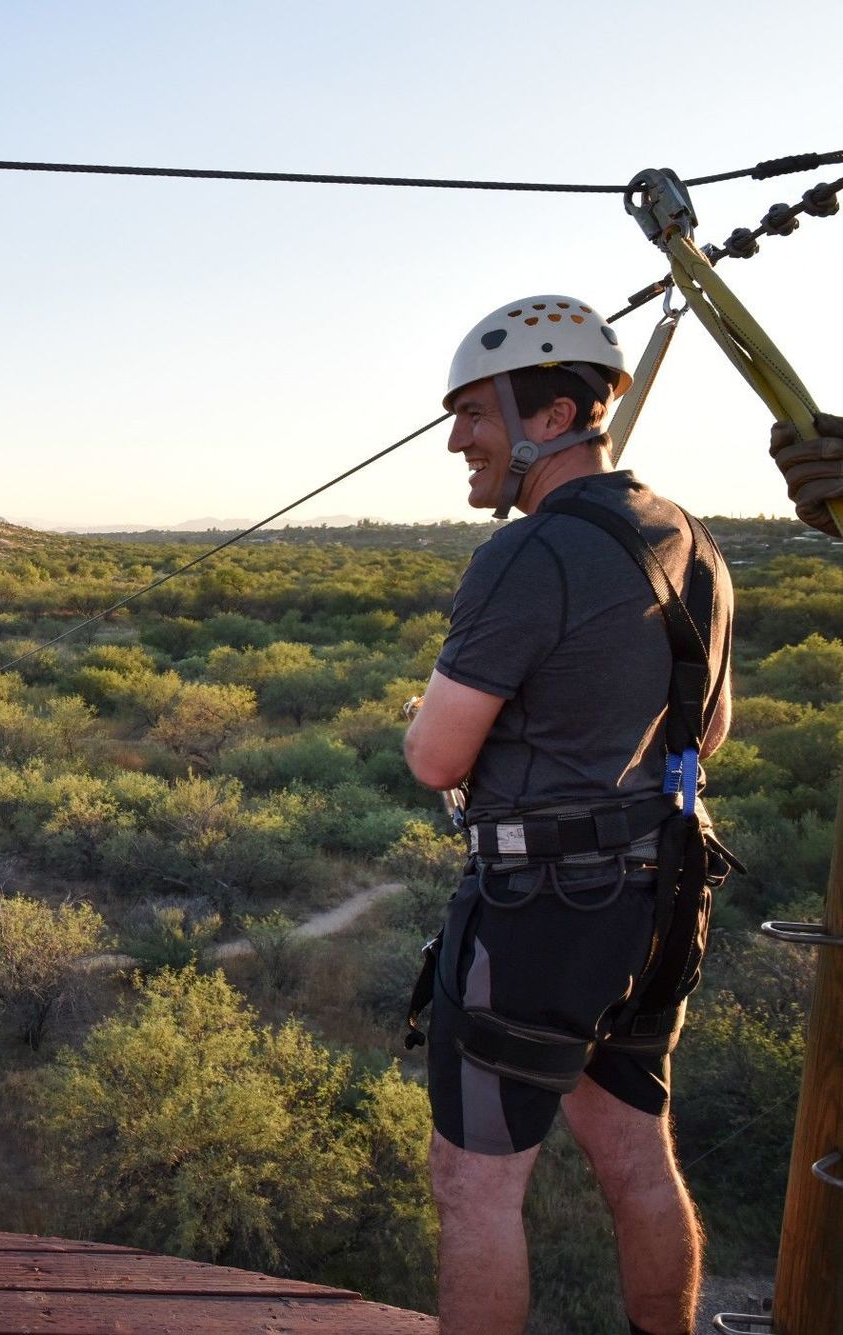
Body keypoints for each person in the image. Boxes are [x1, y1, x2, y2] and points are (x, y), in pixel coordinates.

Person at [403, 296, 735, 1335]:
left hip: (540, 910)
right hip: (657, 901)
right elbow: (707, 731)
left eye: (472, 415)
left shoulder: (526, 552)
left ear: (547, 417)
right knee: (635, 1154)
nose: (457, 439)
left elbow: (434, 757)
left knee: (473, 1187)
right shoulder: (690, 537)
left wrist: (442, 717)